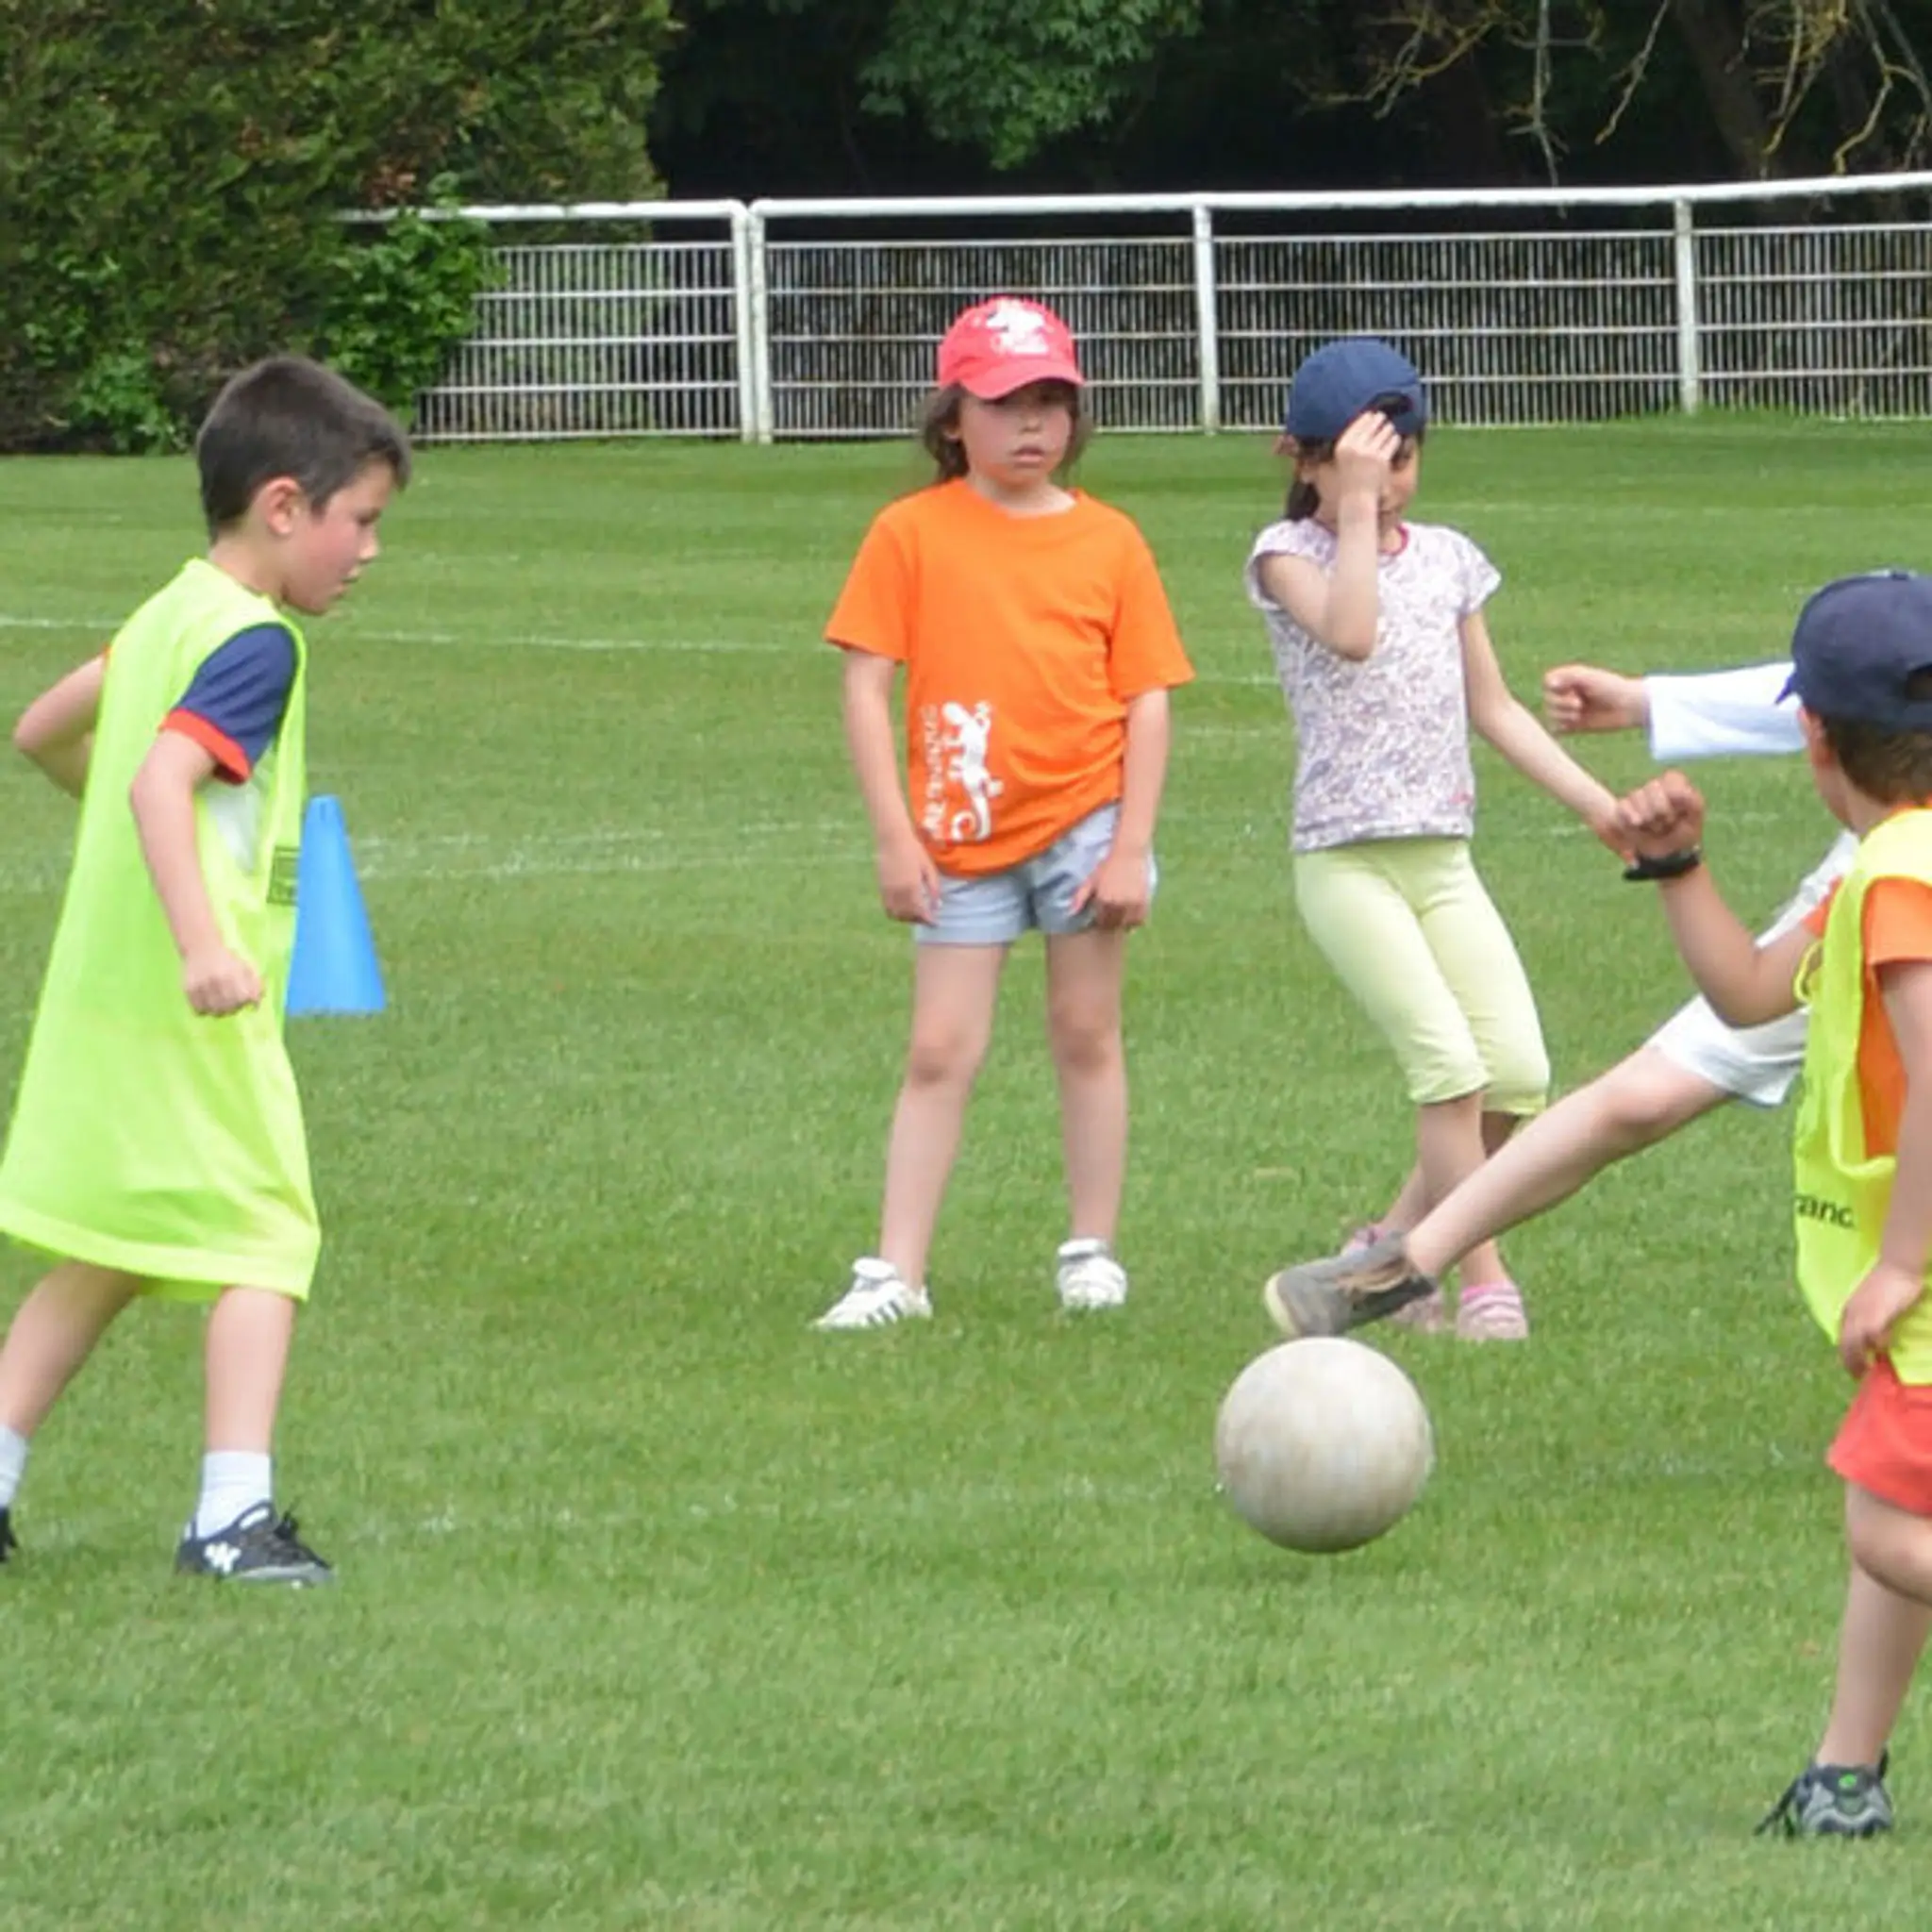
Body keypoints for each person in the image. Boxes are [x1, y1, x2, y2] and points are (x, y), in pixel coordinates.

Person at [0, 355, 409, 1583]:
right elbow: (158, 779)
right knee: (266, 1238)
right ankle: (231, 1518)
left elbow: (42, 732)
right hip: (194, 1009)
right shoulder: (256, 644)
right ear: (285, 506)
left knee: (112, 1249)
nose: (370, 551)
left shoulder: (165, 614)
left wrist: (143, 861)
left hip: (104, 1005)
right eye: (363, 521)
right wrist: (201, 940)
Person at [1262, 653, 1857, 1339]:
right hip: (1869, 874)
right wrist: (1653, 726)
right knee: (1642, 1096)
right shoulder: (1871, 877)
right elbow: (1749, 995)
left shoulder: (1899, 882)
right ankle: (1398, 1264)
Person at [1614, 568, 1932, 1839]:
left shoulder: (1900, 877)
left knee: (1886, 1536)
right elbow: (1753, 997)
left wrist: (1901, 1264)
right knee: (1899, 1517)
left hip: (1924, 1281)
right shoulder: (1882, 867)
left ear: (1811, 736)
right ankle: (1841, 1779)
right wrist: (1675, 864)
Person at [813, 296, 1194, 1329]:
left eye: (1049, 402)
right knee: (939, 1046)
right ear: (951, 421)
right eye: (1003, 403)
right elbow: (863, 685)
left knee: (1085, 1030)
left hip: (1083, 820)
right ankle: (897, 1270)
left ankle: (1090, 1247)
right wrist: (895, 837)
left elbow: (1146, 696)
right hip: (959, 828)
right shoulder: (909, 533)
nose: (1030, 425)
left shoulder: (1110, 540)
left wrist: (1131, 845)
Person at [1244, 335, 1620, 1341]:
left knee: (1517, 1073)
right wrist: (1356, 509)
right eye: (1363, 461)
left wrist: (1596, 806)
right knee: (1447, 1071)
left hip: (1440, 854)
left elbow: (1492, 708)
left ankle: (1386, 1241)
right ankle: (1470, 1272)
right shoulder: (1285, 556)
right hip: (1346, 857)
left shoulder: (1449, 559)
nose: (1390, 481)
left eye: (1402, 459)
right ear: (1303, 460)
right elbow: (1352, 630)